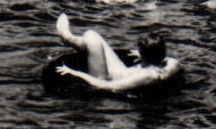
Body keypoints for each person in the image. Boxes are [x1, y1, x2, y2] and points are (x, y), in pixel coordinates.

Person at [53, 14, 181, 93]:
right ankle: (70, 39)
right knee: (92, 34)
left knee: (92, 40)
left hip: (104, 79)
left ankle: (68, 39)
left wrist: (76, 73)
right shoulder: (171, 65)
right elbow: (169, 60)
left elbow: (108, 86)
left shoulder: (147, 75)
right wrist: (146, 56)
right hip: (122, 71)